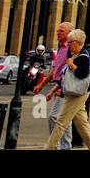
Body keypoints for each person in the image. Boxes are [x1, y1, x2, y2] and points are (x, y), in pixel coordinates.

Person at [43, 29, 90, 150]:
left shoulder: (83, 57)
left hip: (78, 93)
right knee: (82, 123)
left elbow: (82, 74)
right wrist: (52, 91)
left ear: (77, 42)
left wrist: (71, 64)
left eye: (70, 42)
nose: (68, 45)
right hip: (72, 91)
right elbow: (64, 77)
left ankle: (49, 147)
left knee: (61, 122)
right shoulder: (73, 55)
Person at [32, 21, 74, 150]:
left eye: (61, 31)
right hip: (59, 86)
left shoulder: (70, 49)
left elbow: (68, 71)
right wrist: (41, 85)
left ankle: (56, 145)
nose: (57, 33)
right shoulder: (60, 48)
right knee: (65, 120)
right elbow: (54, 70)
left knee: (55, 117)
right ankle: (63, 146)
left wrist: (60, 88)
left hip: (65, 88)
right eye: (57, 30)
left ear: (68, 33)